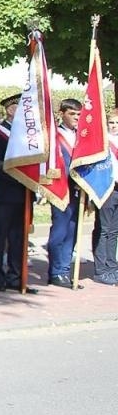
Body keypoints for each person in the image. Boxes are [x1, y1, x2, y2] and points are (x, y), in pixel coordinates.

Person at [0, 93, 36, 293]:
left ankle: (17, 276)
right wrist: (17, 176)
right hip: (4, 192)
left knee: (19, 237)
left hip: (24, 192)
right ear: (11, 109)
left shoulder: (29, 135)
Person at [45, 98, 83, 289]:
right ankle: (55, 272)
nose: (76, 117)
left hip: (79, 192)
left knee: (72, 232)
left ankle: (65, 271)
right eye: (72, 114)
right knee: (59, 232)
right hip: (61, 190)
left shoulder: (82, 136)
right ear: (62, 114)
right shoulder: (55, 136)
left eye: (78, 114)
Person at [91, 112, 118, 286]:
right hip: (106, 188)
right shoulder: (102, 142)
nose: (114, 125)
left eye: (117, 122)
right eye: (111, 122)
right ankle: (101, 270)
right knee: (104, 229)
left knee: (115, 231)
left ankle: (112, 266)